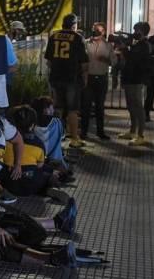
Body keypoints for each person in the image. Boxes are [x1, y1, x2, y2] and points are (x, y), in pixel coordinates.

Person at [44, 13, 88, 148]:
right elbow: (84, 64)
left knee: (58, 108)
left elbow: (48, 61)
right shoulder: (77, 38)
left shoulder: (53, 37)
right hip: (72, 78)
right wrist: (85, 79)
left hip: (56, 78)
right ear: (74, 25)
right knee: (72, 109)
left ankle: (55, 137)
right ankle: (74, 138)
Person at [4, 105, 60, 196]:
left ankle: (52, 175)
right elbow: (39, 165)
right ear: (32, 125)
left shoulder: (4, 140)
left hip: (8, 184)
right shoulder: (38, 144)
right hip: (31, 185)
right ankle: (48, 186)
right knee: (42, 171)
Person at [118, 22, 152, 146]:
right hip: (129, 77)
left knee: (138, 106)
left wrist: (124, 49)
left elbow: (134, 59)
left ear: (142, 31)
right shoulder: (137, 44)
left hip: (137, 79)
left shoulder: (145, 45)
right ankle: (132, 131)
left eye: (136, 30)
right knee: (131, 105)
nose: (134, 33)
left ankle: (140, 135)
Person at [82, 22, 116, 140]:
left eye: (98, 30)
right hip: (88, 78)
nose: (95, 31)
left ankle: (100, 132)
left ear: (103, 32)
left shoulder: (108, 46)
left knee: (99, 107)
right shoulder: (86, 43)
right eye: (94, 29)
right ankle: (84, 132)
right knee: (85, 106)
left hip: (101, 78)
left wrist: (106, 59)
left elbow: (114, 61)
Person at [31, 96, 69, 171]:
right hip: (55, 161)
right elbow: (62, 137)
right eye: (52, 107)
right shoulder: (57, 122)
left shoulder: (32, 124)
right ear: (46, 109)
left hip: (36, 162)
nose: (53, 110)